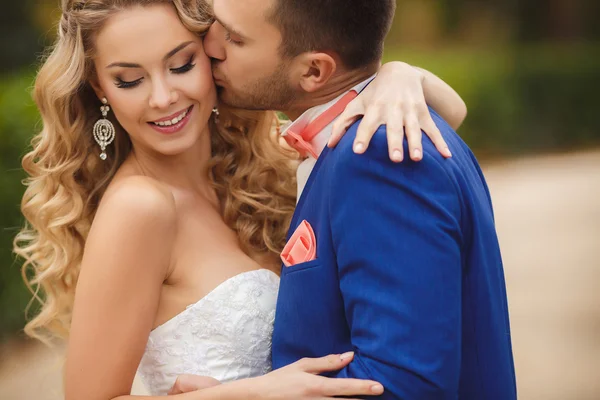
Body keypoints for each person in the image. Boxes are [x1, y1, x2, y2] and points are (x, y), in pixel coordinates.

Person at [14, 0, 467, 399]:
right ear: (100, 89)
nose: (163, 97)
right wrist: (252, 395)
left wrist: (395, 77)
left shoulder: (260, 167)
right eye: (130, 80)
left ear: (213, 53)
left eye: (181, 65)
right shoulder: (139, 209)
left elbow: (445, 121)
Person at [173, 0, 517, 399]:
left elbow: (402, 386)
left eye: (234, 38)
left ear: (314, 70)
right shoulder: (362, 138)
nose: (209, 45)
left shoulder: (378, 156)